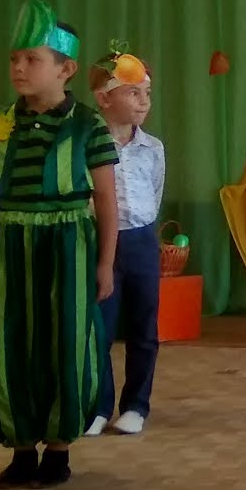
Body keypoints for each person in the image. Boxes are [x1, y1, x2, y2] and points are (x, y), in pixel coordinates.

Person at [0, 0, 118, 489]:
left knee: (66, 338)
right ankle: (20, 449)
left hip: (68, 245)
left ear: (66, 69)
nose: (19, 68)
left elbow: (106, 198)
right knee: (8, 337)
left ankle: (58, 451)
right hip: (6, 245)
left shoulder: (88, 125)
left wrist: (106, 262)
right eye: (14, 59)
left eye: (32, 59)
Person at [87, 44, 163, 438]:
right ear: (104, 99)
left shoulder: (153, 148)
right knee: (99, 326)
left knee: (143, 327)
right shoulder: (89, 145)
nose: (143, 101)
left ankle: (135, 405)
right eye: (133, 93)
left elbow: (155, 192)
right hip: (101, 241)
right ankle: (98, 406)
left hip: (142, 241)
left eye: (147, 93)